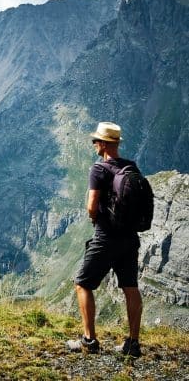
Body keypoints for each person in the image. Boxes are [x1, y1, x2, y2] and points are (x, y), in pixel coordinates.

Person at [68, 122, 143, 357]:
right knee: (131, 287)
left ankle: (89, 341)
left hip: (106, 238)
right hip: (130, 238)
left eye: (95, 141)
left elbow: (92, 206)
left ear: (102, 144)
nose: (93, 145)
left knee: (83, 284)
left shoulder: (98, 169)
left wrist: (94, 218)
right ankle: (133, 343)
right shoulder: (131, 166)